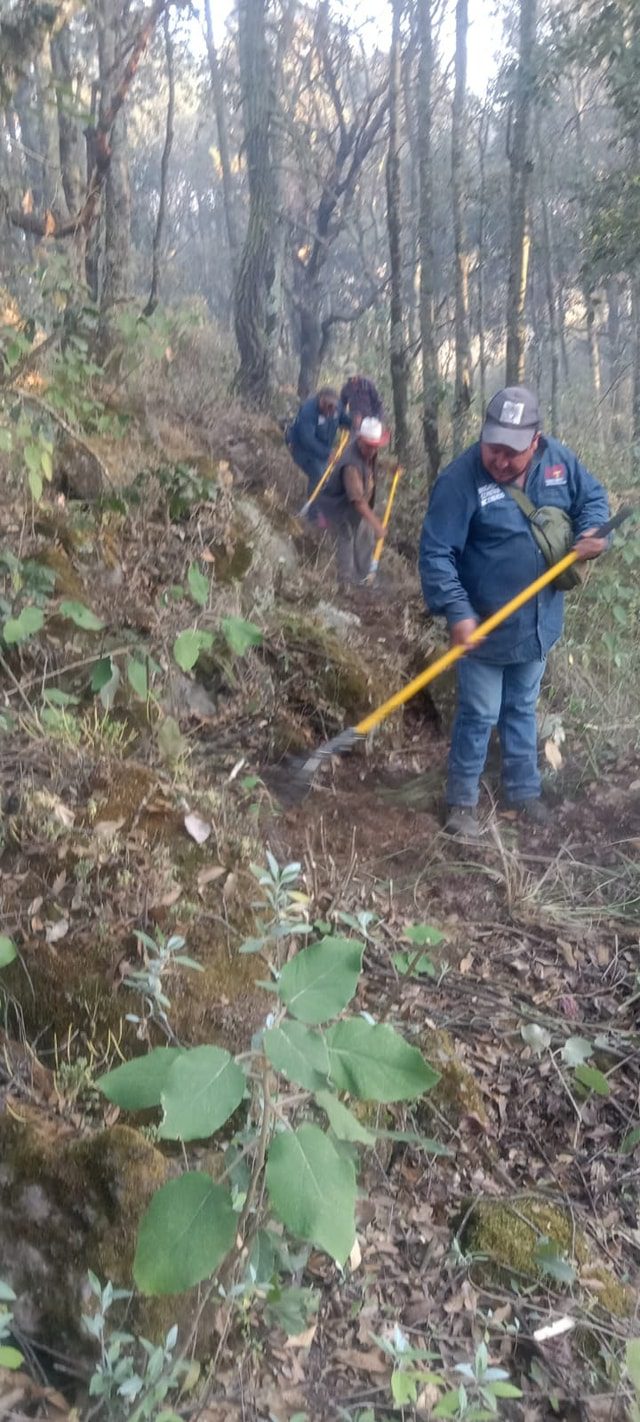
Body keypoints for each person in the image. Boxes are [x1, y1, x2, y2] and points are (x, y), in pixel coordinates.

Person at [419, 385, 609, 838]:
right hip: (484, 629)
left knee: (523, 706)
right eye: (492, 448)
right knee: (480, 712)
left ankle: (523, 791)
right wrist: (458, 611)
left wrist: (595, 534)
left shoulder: (560, 461)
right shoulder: (460, 479)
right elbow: (436, 553)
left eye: (512, 452)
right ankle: (461, 801)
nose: (500, 460)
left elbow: (595, 501)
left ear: (536, 442)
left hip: (539, 625)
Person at [316, 416, 390, 588]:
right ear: (360, 441)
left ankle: (365, 575)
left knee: (365, 535)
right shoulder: (351, 465)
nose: (373, 451)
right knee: (346, 537)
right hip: (337, 507)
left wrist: (390, 467)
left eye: (375, 446)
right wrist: (377, 525)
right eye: (369, 446)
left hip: (354, 508)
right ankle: (346, 580)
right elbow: (357, 501)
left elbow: (372, 466)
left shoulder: (368, 452)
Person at [286, 386, 350, 501]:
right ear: (320, 401)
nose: (331, 411)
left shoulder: (336, 407)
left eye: (334, 408)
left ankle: (325, 503)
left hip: (323, 448)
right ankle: (312, 508)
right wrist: (328, 453)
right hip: (302, 449)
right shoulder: (308, 411)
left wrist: (358, 424)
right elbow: (307, 440)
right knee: (318, 475)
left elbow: (343, 419)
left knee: (331, 476)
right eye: (328, 407)